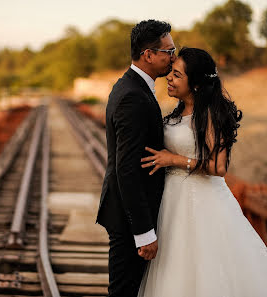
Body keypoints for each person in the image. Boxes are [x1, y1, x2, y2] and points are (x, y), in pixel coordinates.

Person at [138, 47, 267, 296]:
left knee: (208, 267)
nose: (170, 78)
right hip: (173, 203)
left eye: (177, 75)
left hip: (204, 203)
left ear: (196, 85)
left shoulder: (210, 115)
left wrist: (173, 159)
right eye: (172, 73)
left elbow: (218, 168)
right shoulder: (177, 113)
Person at [96, 19, 176, 297]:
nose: (173, 56)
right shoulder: (133, 96)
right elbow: (127, 170)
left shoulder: (131, 86)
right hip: (128, 219)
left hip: (127, 213)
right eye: (168, 50)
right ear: (149, 55)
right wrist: (144, 233)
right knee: (123, 291)